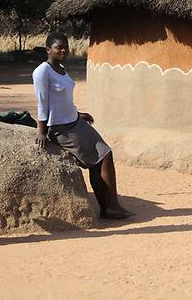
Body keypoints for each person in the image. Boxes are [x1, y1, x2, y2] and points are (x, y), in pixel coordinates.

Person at [33, 32, 130, 219]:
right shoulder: (42, 72)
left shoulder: (61, 68)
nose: (63, 50)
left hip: (75, 122)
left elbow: (63, 100)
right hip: (61, 128)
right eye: (58, 47)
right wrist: (42, 132)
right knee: (98, 159)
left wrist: (78, 114)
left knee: (105, 154)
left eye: (65, 47)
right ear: (48, 50)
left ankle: (108, 207)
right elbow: (42, 103)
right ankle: (112, 206)